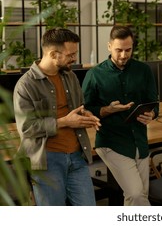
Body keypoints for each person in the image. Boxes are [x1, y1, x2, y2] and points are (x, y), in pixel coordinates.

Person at [13, 28, 101, 206]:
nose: (74, 58)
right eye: (70, 55)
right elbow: (26, 128)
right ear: (53, 54)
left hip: (77, 154)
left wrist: (86, 115)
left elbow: (78, 108)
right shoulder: (26, 85)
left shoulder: (70, 76)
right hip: (47, 161)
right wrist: (65, 122)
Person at [82, 25, 159, 206]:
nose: (123, 55)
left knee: (140, 195)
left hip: (139, 141)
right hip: (112, 142)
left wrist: (152, 114)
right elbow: (83, 109)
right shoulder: (95, 74)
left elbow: (153, 102)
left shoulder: (144, 70)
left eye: (128, 50)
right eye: (119, 50)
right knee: (136, 194)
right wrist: (106, 110)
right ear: (109, 46)